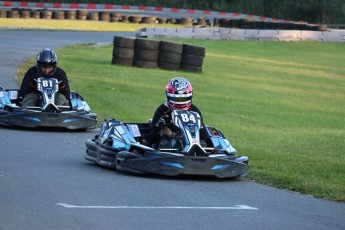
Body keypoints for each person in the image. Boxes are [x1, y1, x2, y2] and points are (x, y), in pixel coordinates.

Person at [145, 77, 209, 148]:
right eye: (176, 99)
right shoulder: (163, 109)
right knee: (165, 132)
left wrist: (199, 125)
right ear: (168, 96)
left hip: (190, 138)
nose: (181, 102)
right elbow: (150, 139)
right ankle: (164, 145)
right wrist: (160, 123)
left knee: (202, 139)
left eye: (184, 98)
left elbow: (205, 136)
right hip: (170, 140)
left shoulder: (194, 109)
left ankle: (199, 146)